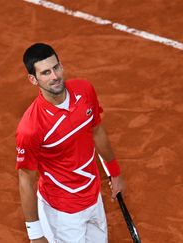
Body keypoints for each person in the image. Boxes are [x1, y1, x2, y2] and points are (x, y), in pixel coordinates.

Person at [16, 43, 124, 243]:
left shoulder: (84, 91)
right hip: (63, 212)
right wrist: (35, 234)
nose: (55, 76)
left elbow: (97, 131)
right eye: (46, 73)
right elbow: (25, 179)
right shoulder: (31, 127)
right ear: (33, 79)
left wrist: (114, 171)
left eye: (56, 67)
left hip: (93, 198)